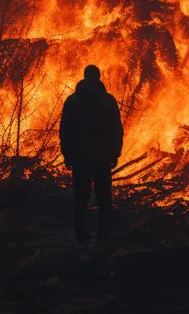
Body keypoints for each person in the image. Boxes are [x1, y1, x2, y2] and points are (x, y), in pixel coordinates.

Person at [60, 64, 123, 247]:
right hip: (102, 157)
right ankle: (104, 236)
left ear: (84, 77)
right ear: (99, 77)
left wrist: (67, 155)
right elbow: (116, 130)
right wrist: (115, 153)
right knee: (105, 199)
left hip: (80, 158)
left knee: (81, 200)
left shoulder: (72, 101)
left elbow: (65, 131)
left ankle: (82, 238)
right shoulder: (108, 101)